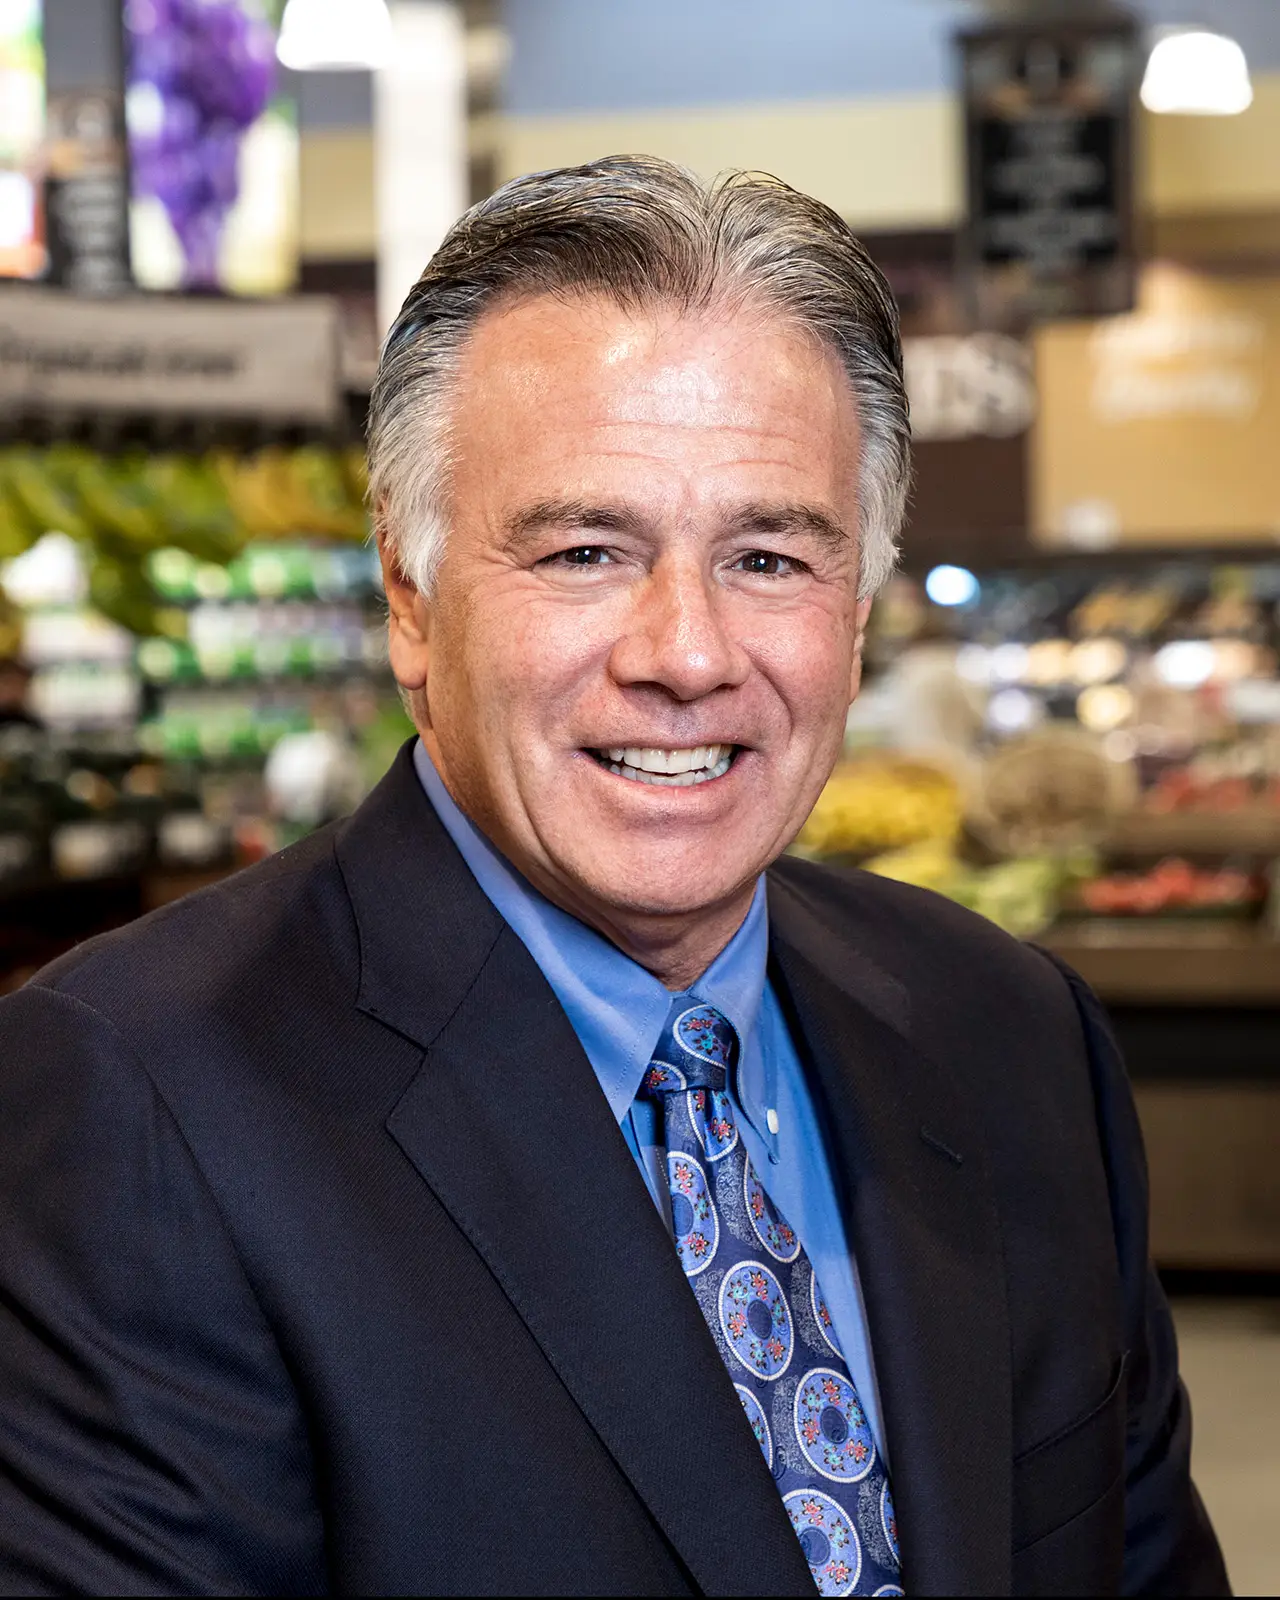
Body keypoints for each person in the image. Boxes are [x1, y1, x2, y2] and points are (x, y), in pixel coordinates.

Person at [0, 157, 1227, 1598]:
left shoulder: (1013, 1032)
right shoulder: (141, 1103)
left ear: (863, 605)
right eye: (587, 550)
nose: (689, 654)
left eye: (769, 556)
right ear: (410, 591)